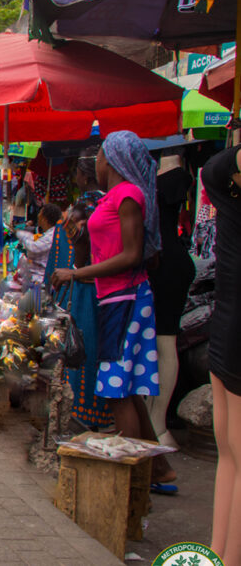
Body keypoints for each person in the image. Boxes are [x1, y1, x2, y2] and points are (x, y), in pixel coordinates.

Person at [51, 131, 175, 485]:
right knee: (127, 389)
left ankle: (129, 481)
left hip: (127, 300)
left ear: (114, 160)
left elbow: (132, 255)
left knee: (115, 390)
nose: (98, 163)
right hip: (115, 298)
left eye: (102, 156)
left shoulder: (128, 195)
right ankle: (159, 470)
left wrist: (76, 273)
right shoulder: (115, 196)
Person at [201, 145, 241, 564]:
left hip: (227, 323)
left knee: (229, 455)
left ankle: (220, 553)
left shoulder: (219, 174)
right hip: (231, 326)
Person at [146, 150, 196, 449]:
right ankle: (152, 421)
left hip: (167, 266)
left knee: (165, 342)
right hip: (158, 263)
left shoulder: (176, 176)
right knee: (154, 343)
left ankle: (159, 423)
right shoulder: (153, 172)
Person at [15, 203, 62, 286]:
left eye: (40, 213)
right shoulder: (49, 233)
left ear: (45, 219)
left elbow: (34, 248)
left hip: (39, 279)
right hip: (35, 277)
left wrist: (20, 234)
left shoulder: (52, 235)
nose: (38, 215)